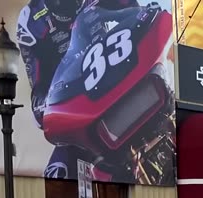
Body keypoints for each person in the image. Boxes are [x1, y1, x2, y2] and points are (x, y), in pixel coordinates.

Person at [17, 0, 139, 180]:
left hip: (117, 76)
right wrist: (49, 105)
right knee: (58, 173)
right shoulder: (31, 21)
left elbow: (136, 9)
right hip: (80, 104)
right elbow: (38, 92)